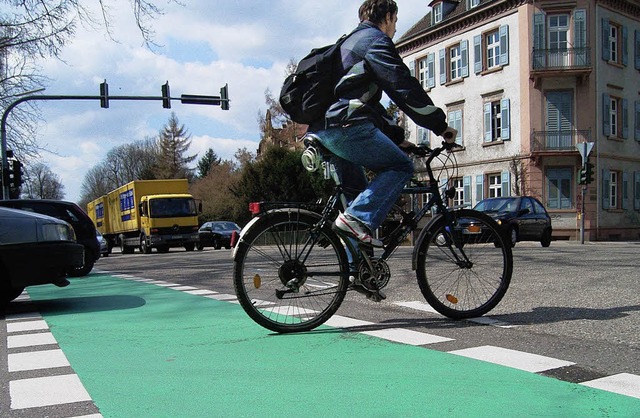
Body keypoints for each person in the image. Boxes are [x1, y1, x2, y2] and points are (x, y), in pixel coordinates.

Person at [310, 0, 456, 248]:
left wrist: (398, 137)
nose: (396, 29)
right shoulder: (375, 41)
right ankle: (355, 220)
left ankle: (358, 272)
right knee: (401, 167)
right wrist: (440, 125)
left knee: (356, 196)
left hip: (326, 128)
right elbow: (403, 87)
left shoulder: (348, 42)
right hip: (346, 126)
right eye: (396, 22)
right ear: (387, 17)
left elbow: (366, 105)